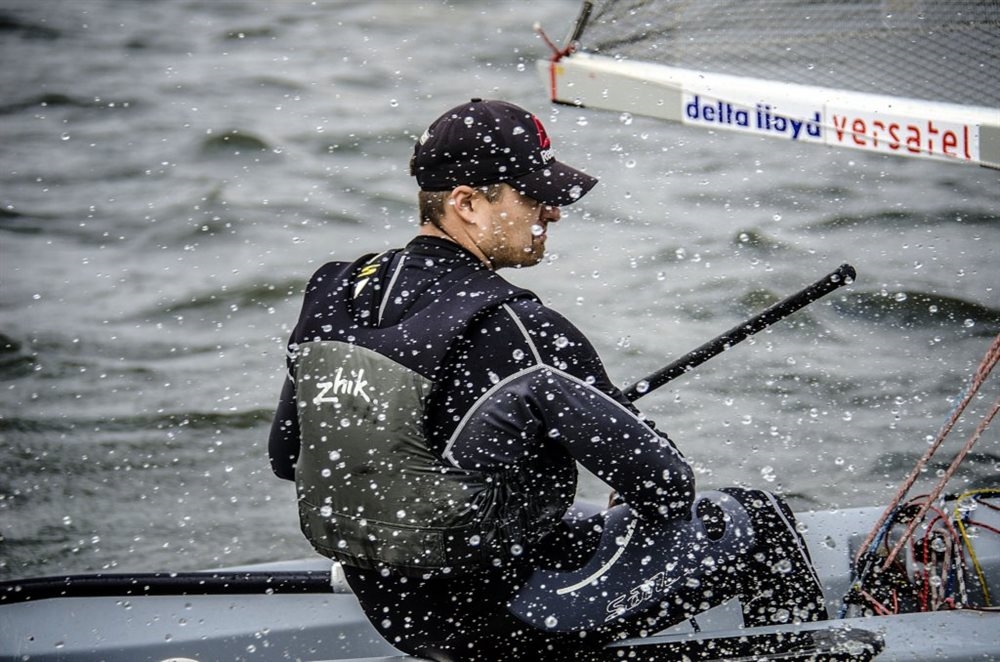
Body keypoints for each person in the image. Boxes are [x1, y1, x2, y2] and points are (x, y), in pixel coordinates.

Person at [268, 98, 826, 661]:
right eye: (533, 196)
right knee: (757, 517)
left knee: (563, 520)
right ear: (467, 203)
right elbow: (667, 486)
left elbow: (287, 455)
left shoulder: (336, 293)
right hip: (504, 621)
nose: (553, 212)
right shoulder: (519, 327)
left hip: (397, 609)